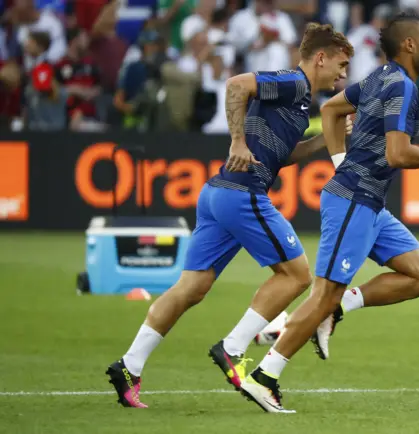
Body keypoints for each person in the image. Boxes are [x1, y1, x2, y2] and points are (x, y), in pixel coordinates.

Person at [105, 22, 354, 409]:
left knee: (191, 288)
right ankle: (233, 347)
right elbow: (237, 84)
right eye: (341, 64)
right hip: (242, 194)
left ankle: (129, 365)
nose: (344, 74)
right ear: (320, 58)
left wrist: (326, 139)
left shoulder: (300, 99)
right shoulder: (295, 82)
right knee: (298, 275)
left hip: (217, 193)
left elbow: (283, 157)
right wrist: (236, 139)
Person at [241, 11, 419, 414]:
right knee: (321, 294)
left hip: (367, 202)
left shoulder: (378, 77)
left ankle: (338, 309)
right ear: (409, 45)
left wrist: (339, 161)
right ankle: (265, 375)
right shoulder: (401, 86)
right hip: (353, 200)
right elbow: (397, 153)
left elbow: (332, 111)